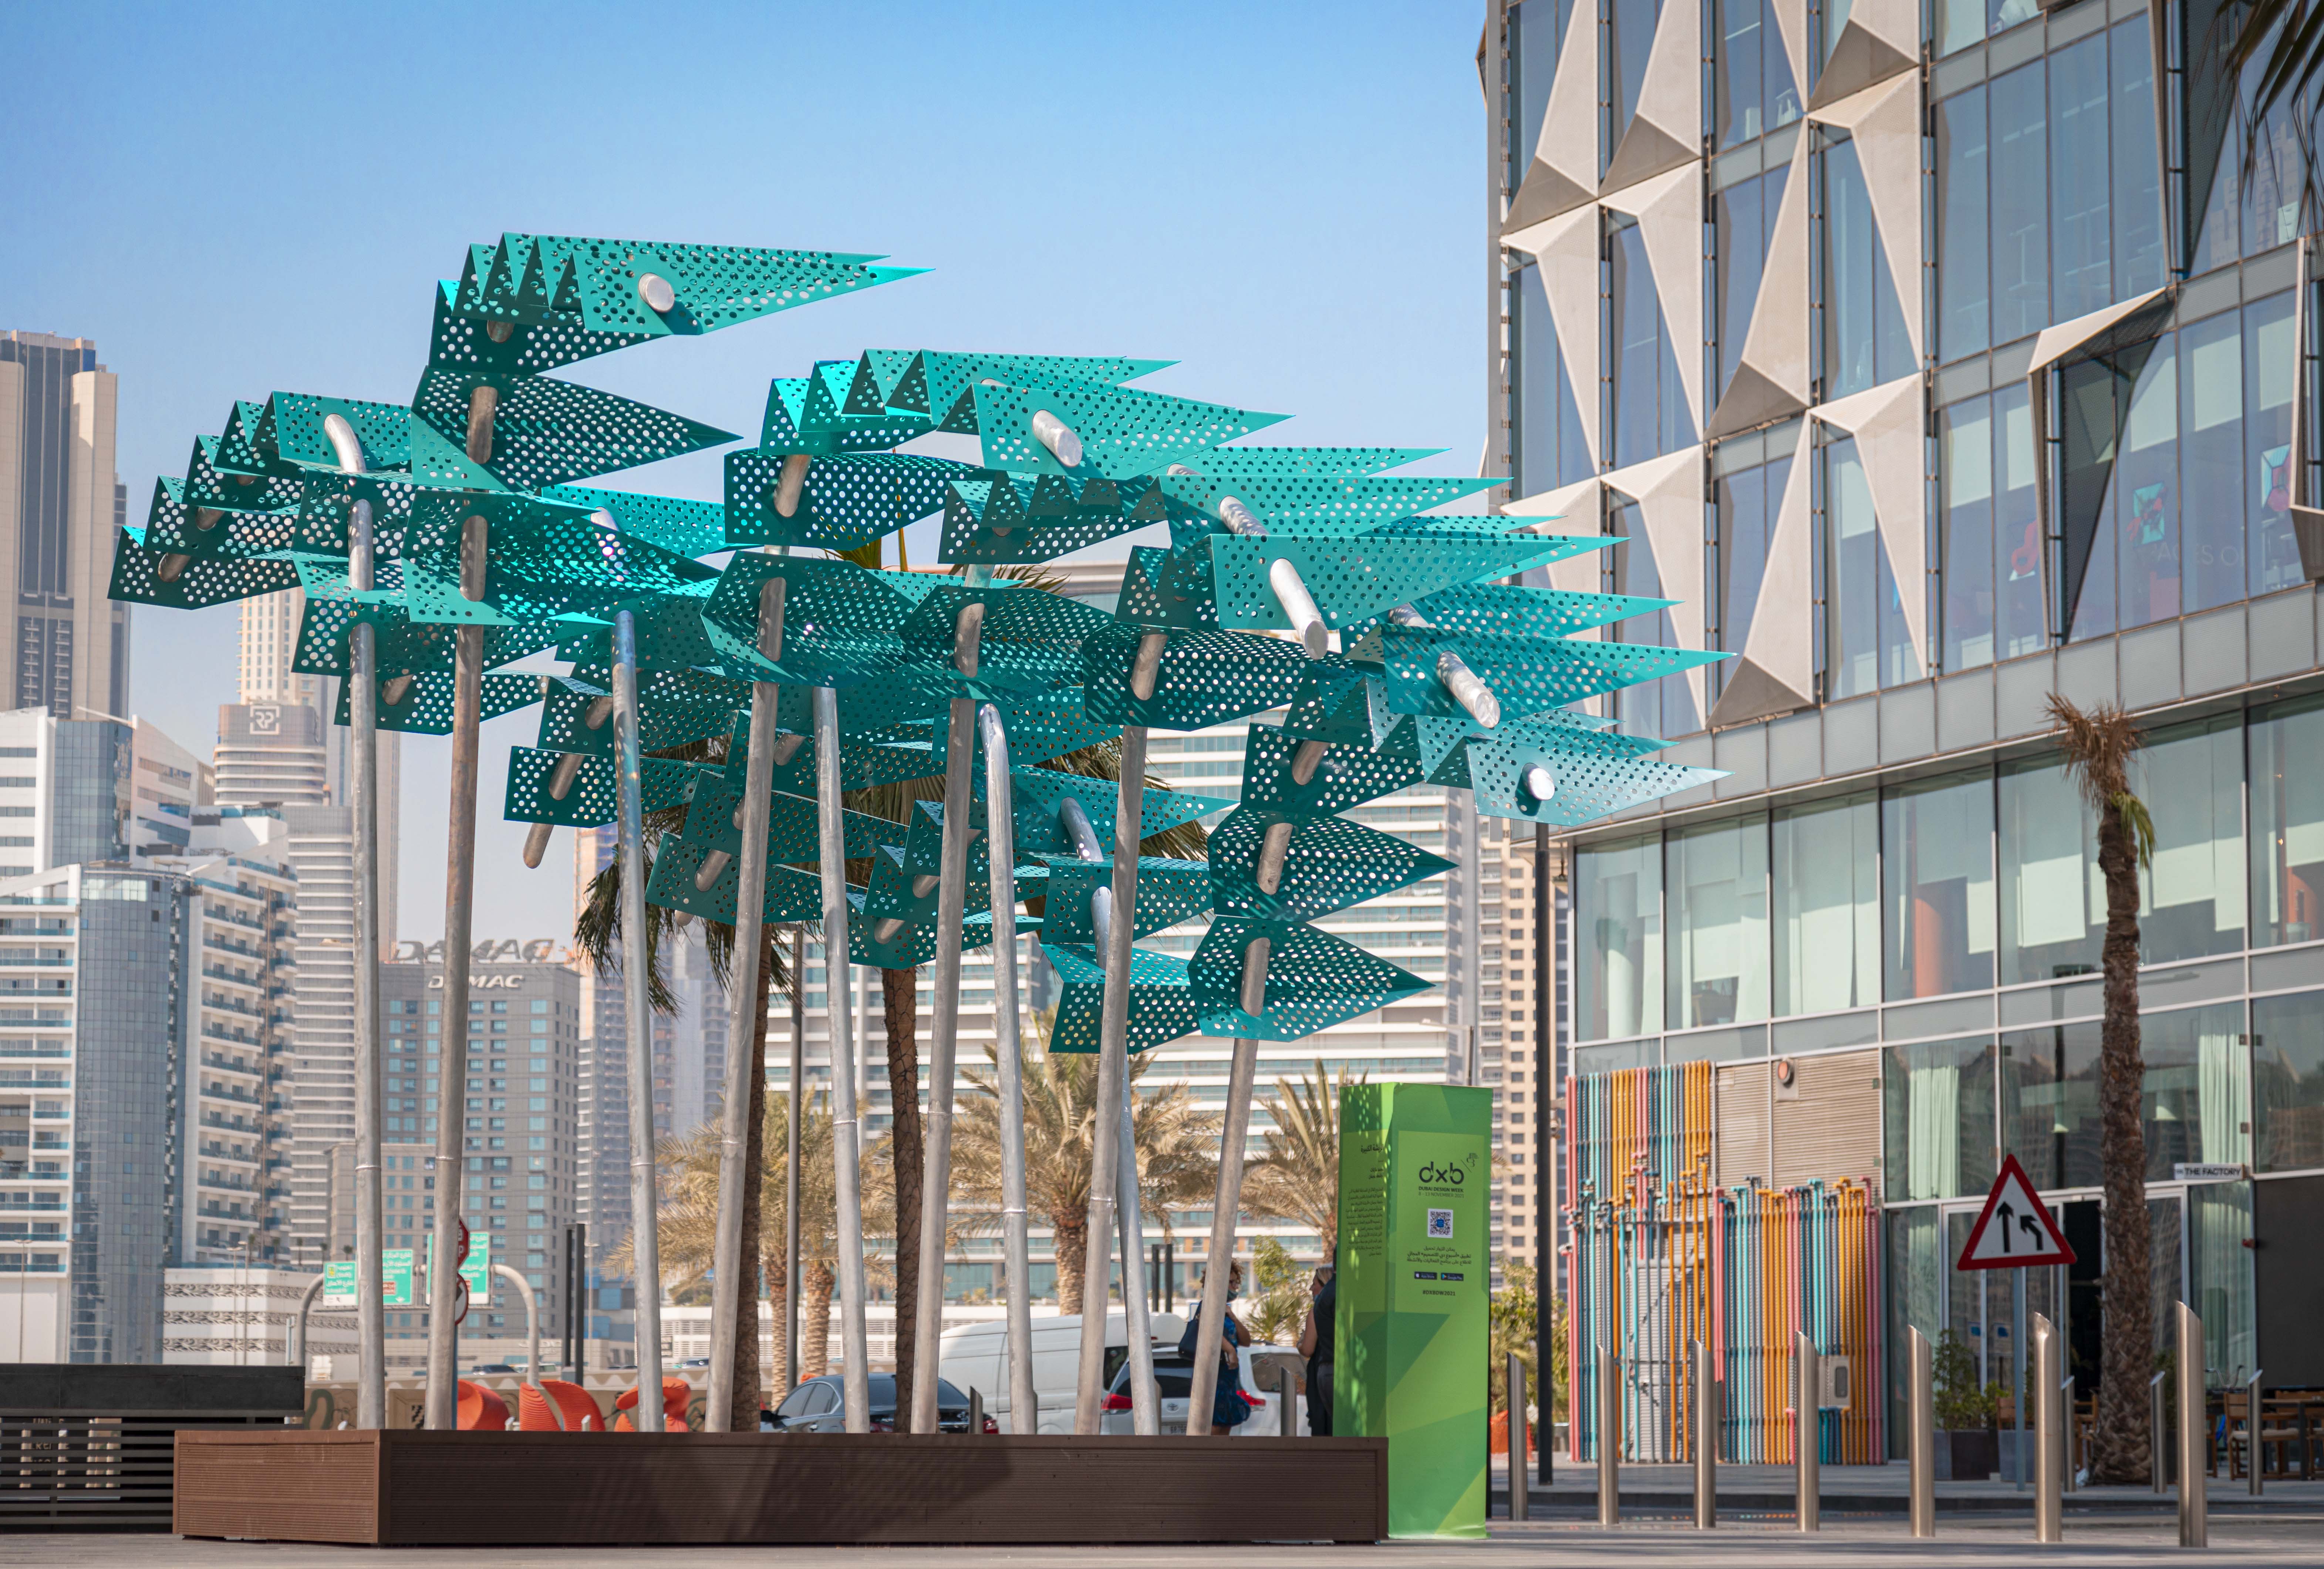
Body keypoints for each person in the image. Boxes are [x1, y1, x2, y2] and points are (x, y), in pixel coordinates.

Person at [1177, 1261, 1252, 1434]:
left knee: (1226, 1423)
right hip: (1215, 1373)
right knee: (1216, 1424)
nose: (1235, 1287)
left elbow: (1246, 1341)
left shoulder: (1226, 1310)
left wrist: (1234, 1317)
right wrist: (1230, 1350)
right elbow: (1209, 1330)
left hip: (1228, 1377)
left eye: (1237, 1283)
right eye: (1231, 1282)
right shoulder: (1209, 1305)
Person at [1298, 1263, 1335, 1436]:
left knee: (1322, 1423)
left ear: (1325, 1284)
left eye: (1314, 1284)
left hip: (1322, 1369)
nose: (1311, 1289)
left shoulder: (1317, 1311)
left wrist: (1300, 1343)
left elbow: (1308, 1349)